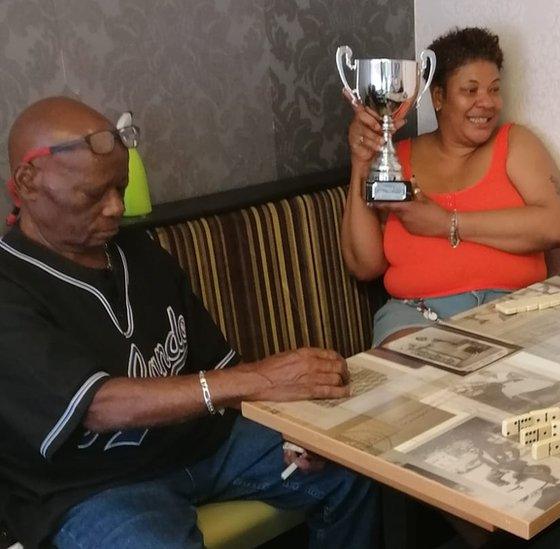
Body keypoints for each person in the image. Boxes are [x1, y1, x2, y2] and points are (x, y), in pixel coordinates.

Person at [0, 97, 379, 548]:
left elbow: (217, 364)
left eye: (120, 188)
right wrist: (258, 378)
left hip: (205, 446)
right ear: (27, 182)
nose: (116, 208)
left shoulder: (139, 253)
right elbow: (100, 407)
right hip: (94, 488)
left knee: (354, 471)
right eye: (94, 194)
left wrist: (288, 425)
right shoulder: (11, 285)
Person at [340, 27, 560, 346]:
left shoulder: (515, 144)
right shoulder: (397, 157)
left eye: (494, 89)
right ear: (438, 97)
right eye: (471, 90)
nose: (487, 103)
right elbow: (364, 266)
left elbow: (559, 227)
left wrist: (445, 223)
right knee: (412, 388)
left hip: (514, 309)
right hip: (416, 315)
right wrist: (360, 164)